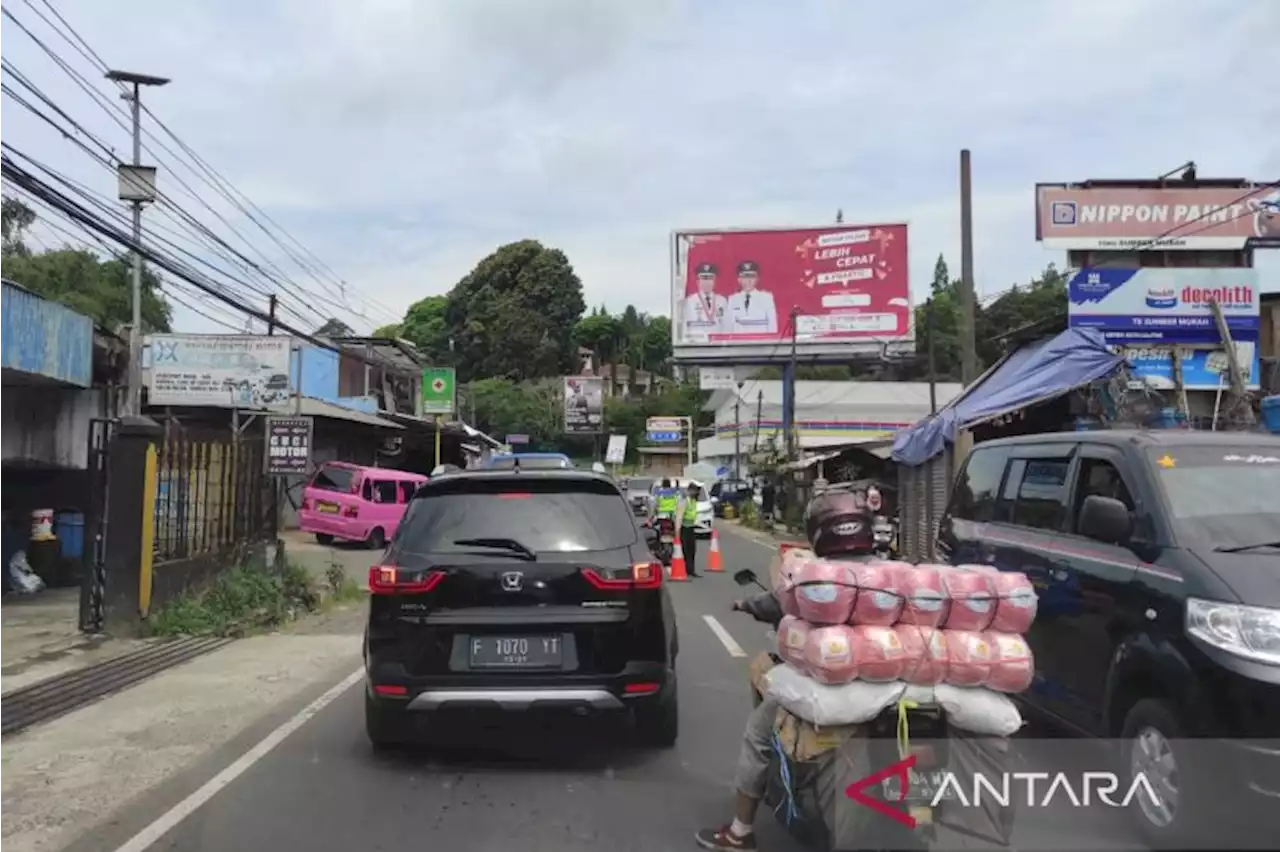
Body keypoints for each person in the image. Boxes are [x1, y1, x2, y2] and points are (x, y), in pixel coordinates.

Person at [695, 588, 785, 850]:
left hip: (812, 682)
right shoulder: (887, 576)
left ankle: (740, 833)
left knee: (757, 736)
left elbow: (775, 601)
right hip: (890, 685)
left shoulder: (811, 574)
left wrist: (743, 604)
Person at [726, 260, 778, 336]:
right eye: (745, 277)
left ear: (757, 279)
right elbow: (729, 328)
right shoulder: (733, 299)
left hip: (761, 344)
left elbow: (772, 327)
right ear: (739, 280)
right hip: (738, 344)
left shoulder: (766, 298)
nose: (748, 280)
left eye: (752, 276)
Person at [681, 262, 728, 340]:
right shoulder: (690, 301)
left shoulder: (722, 301)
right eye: (703, 278)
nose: (707, 282)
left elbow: (726, 326)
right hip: (698, 346)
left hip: (719, 346)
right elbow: (685, 327)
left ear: (714, 281)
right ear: (698, 281)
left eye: (710, 278)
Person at [677, 481, 702, 577]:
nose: (696, 493)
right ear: (690, 490)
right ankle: (684, 569)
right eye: (695, 491)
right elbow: (679, 516)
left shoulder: (693, 500)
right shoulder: (685, 500)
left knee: (692, 550)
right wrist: (677, 531)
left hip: (691, 527)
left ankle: (691, 570)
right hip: (684, 528)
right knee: (685, 550)